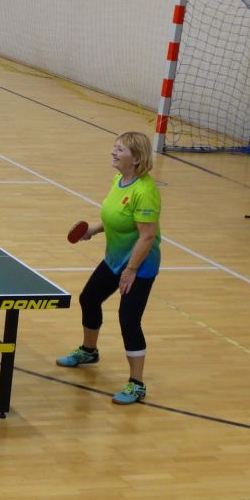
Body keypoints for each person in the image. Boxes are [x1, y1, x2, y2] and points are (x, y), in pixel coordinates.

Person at [56, 131, 162, 406]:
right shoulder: (119, 180)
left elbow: (147, 236)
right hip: (116, 259)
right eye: (114, 148)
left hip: (140, 265)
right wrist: (92, 229)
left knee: (129, 318)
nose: (113, 153)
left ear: (136, 159)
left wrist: (132, 270)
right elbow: (115, 217)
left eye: (120, 149)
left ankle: (136, 384)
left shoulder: (145, 192)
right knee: (89, 298)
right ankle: (89, 351)